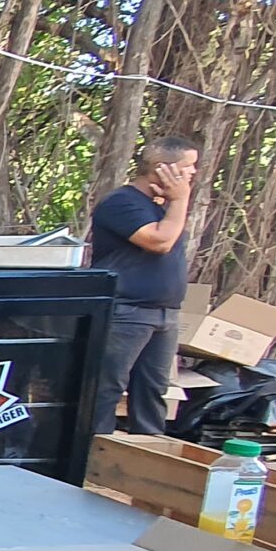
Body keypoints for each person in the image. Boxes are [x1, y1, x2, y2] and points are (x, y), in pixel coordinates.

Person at [87, 135, 202, 437]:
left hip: (164, 313)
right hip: (127, 311)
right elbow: (158, 241)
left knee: (153, 391)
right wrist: (180, 200)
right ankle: (91, 453)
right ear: (163, 169)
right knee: (106, 388)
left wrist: (173, 204)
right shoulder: (121, 202)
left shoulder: (162, 207)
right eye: (188, 167)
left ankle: (147, 452)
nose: (192, 174)